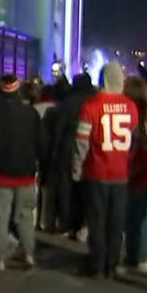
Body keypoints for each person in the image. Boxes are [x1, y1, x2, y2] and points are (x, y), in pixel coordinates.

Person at [73, 63, 138, 278]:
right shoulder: (131, 106)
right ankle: (112, 264)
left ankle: (97, 264)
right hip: (121, 173)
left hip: (97, 171)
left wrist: (76, 168)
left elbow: (81, 142)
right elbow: (135, 140)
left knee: (97, 220)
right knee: (116, 222)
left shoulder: (90, 106)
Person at [0, 74, 44, 271]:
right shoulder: (30, 113)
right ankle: (29, 254)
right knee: (24, 215)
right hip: (25, 173)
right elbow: (40, 144)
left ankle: (0, 258)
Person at [43, 74, 95, 237]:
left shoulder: (67, 103)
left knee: (67, 189)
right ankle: (84, 224)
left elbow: (59, 130)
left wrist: (54, 154)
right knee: (88, 189)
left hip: (68, 150)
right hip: (93, 150)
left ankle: (67, 223)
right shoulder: (95, 101)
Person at [123, 76, 147, 274]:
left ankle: (132, 257)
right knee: (144, 217)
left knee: (133, 217)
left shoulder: (135, 118)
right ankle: (143, 258)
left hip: (137, 170)